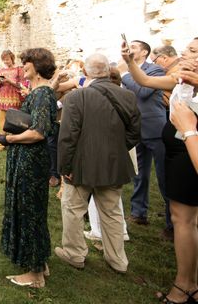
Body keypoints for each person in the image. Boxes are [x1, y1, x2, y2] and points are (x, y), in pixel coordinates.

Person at [121, 37, 198, 304]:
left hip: (190, 150)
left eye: (192, 50)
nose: (184, 53)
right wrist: (130, 62)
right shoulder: (179, 81)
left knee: (186, 219)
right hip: (178, 150)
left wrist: (188, 128)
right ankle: (188, 280)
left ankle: (185, 286)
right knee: (182, 217)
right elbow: (144, 81)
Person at [55, 53, 140, 274]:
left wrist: (64, 167)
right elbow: (134, 133)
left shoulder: (76, 97)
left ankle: (74, 254)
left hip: (81, 165)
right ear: (106, 71)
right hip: (113, 164)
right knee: (112, 213)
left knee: (73, 209)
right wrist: (116, 150)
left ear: (86, 73)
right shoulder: (127, 95)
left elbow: (67, 137)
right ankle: (117, 260)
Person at [0, 48, 58, 289]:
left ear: (38, 65)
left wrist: (9, 139)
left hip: (31, 160)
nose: (23, 66)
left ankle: (35, 275)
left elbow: (38, 132)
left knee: (29, 212)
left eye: (27, 62)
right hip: (27, 158)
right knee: (32, 210)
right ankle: (39, 261)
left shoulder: (43, 94)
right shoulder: (38, 90)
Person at [118, 40, 171, 235]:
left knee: (164, 176)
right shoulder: (129, 71)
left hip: (155, 129)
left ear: (145, 52)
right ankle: (139, 213)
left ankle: (172, 223)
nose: (129, 50)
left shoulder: (155, 70)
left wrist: (124, 73)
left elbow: (143, 90)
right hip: (134, 130)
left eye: (134, 47)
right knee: (139, 174)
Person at [0, 50, 26, 151]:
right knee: (2, 122)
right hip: (2, 98)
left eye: (7, 59)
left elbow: (21, 85)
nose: (6, 62)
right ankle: (2, 143)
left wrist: (9, 81)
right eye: (4, 60)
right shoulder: (1, 71)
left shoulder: (18, 70)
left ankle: (14, 142)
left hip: (14, 99)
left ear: (12, 58)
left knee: (14, 122)